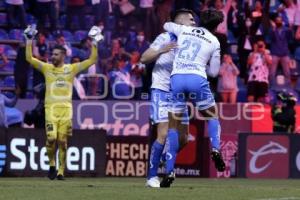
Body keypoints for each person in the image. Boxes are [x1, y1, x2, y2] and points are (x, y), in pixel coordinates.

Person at [24, 25, 102, 180]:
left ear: (63, 56)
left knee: (62, 141)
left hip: (66, 110)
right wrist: (29, 40)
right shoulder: (46, 68)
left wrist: (94, 43)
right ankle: (52, 165)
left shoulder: (71, 69)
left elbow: (93, 59)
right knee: (51, 138)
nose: (52, 56)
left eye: (55, 54)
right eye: (52, 54)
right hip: (51, 109)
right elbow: (29, 59)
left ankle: (61, 170)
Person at [161, 9, 226, 187]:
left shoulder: (184, 30)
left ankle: (169, 170)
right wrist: (198, 65)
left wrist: (179, 25)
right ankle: (215, 148)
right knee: (212, 117)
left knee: (173, 127)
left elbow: (166, 25)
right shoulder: (214, 41)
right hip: (197, 78)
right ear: (217, 25)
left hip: (177, 78)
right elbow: (213, 72)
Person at [141, 8, 196, 188]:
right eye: (191, 20)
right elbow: (144, 58)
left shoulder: (192, 42)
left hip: (178, 95)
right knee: (163, 133)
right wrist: (162, 50)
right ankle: (151, 176)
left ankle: (165, 157)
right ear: (180, 23)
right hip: (162, 91)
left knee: (184, 139)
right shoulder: (165, 37)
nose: (194, 22)